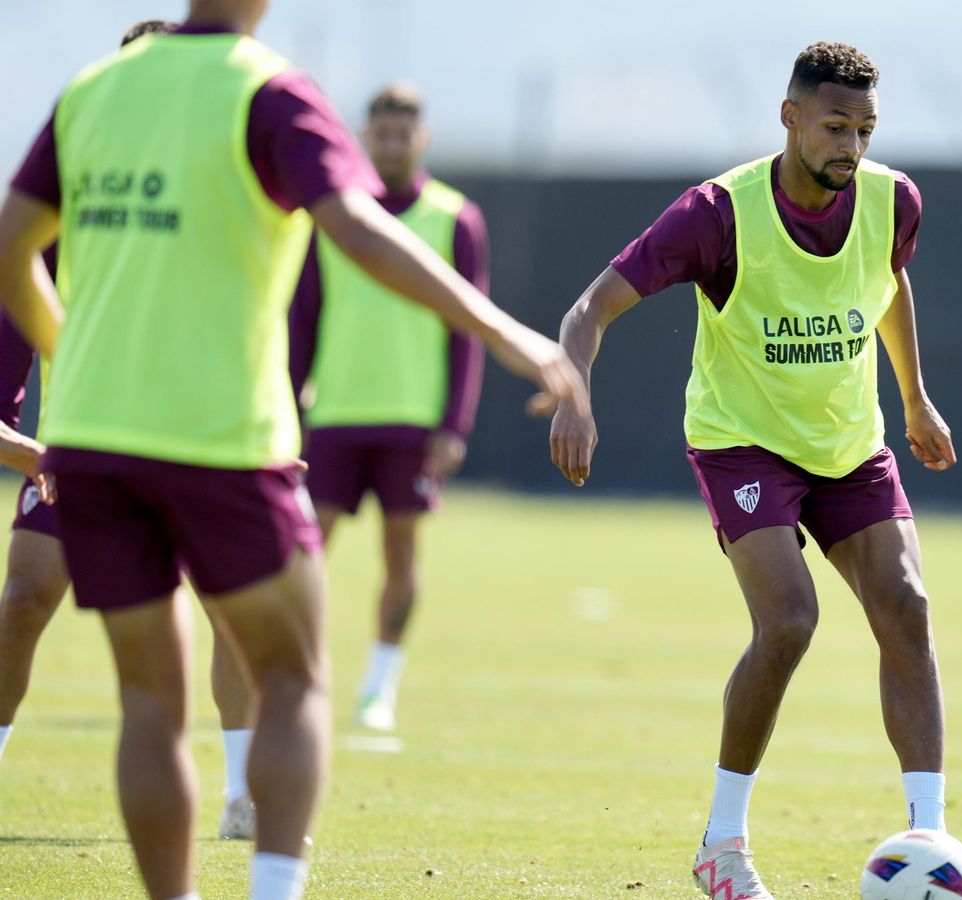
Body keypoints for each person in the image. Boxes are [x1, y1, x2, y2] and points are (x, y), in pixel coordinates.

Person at [0, 2, 585, 898]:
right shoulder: (269, 90)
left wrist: (71, 363)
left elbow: (13, 246)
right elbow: (354, 226)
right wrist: (509, 333)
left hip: (94, 442)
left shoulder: (90, 92)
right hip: (218, 439)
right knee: (295, 678)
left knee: (150, 704)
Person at [549, 41, 956, 900]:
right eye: (836, 126)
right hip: (743, 442)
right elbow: (589, 308)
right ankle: (722, 847)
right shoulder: (717, 214)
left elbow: (888, 281)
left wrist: (916, 397)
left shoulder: (893, 202)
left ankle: (929, 839)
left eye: (866, 130)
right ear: (791, 117)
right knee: (789, 624)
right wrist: (573, 393)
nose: (852, 146)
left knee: (908, 607)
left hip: (848, 442)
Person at [0, 17, 263, 845]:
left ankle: (242, 793)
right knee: (22, 600)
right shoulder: (48, 245)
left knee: (232, 625)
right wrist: (36, 451)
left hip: (201, 457)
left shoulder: (213, 233)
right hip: (85, 464)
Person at [289, 83, 487, 733]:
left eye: (406, 133)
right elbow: (304, 319)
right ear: (365, 136)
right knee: (303, 550)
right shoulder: (335, 216)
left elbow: (468, 330)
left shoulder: (454, 218)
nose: (394, 144)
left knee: (401, 554)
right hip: (336, 416)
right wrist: (289, 409)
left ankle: (379, 685)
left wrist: (453, 424)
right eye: (383, 133)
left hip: (411, 420)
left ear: (421, 139)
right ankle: (298, 675)